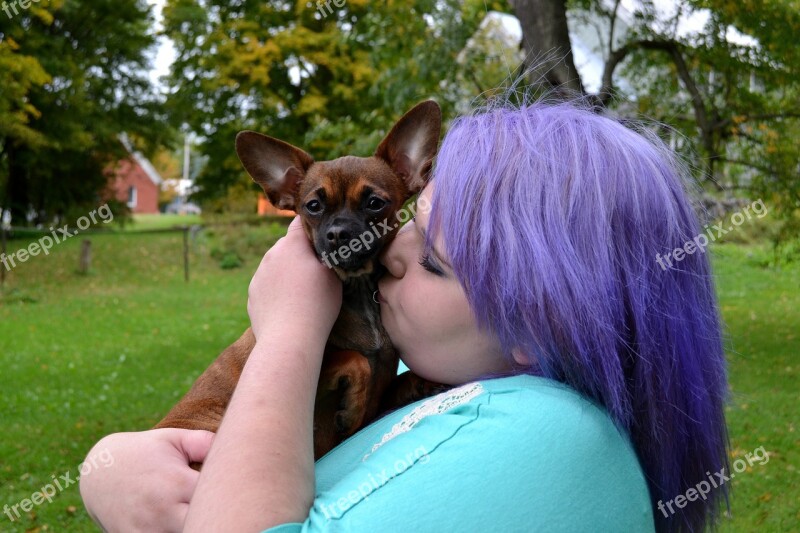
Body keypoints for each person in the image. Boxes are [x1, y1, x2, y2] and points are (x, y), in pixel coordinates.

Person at [80, 98, 729, 533]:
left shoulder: (554, 438)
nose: (391, 256)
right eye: (411, 228)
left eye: (437, 263)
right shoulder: (472, 400)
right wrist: (108, 464)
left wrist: (287, 331)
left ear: (540, 324)